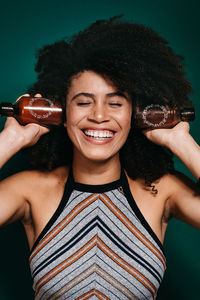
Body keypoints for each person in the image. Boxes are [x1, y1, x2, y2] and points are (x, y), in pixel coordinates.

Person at [0, 15, 200, 300]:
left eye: (116, 103)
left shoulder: (161, 191)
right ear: (62, 115)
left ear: (135, 116)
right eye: (83, 102)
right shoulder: (30, 191)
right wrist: (11, 139)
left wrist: (180, 140)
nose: (99, 116)